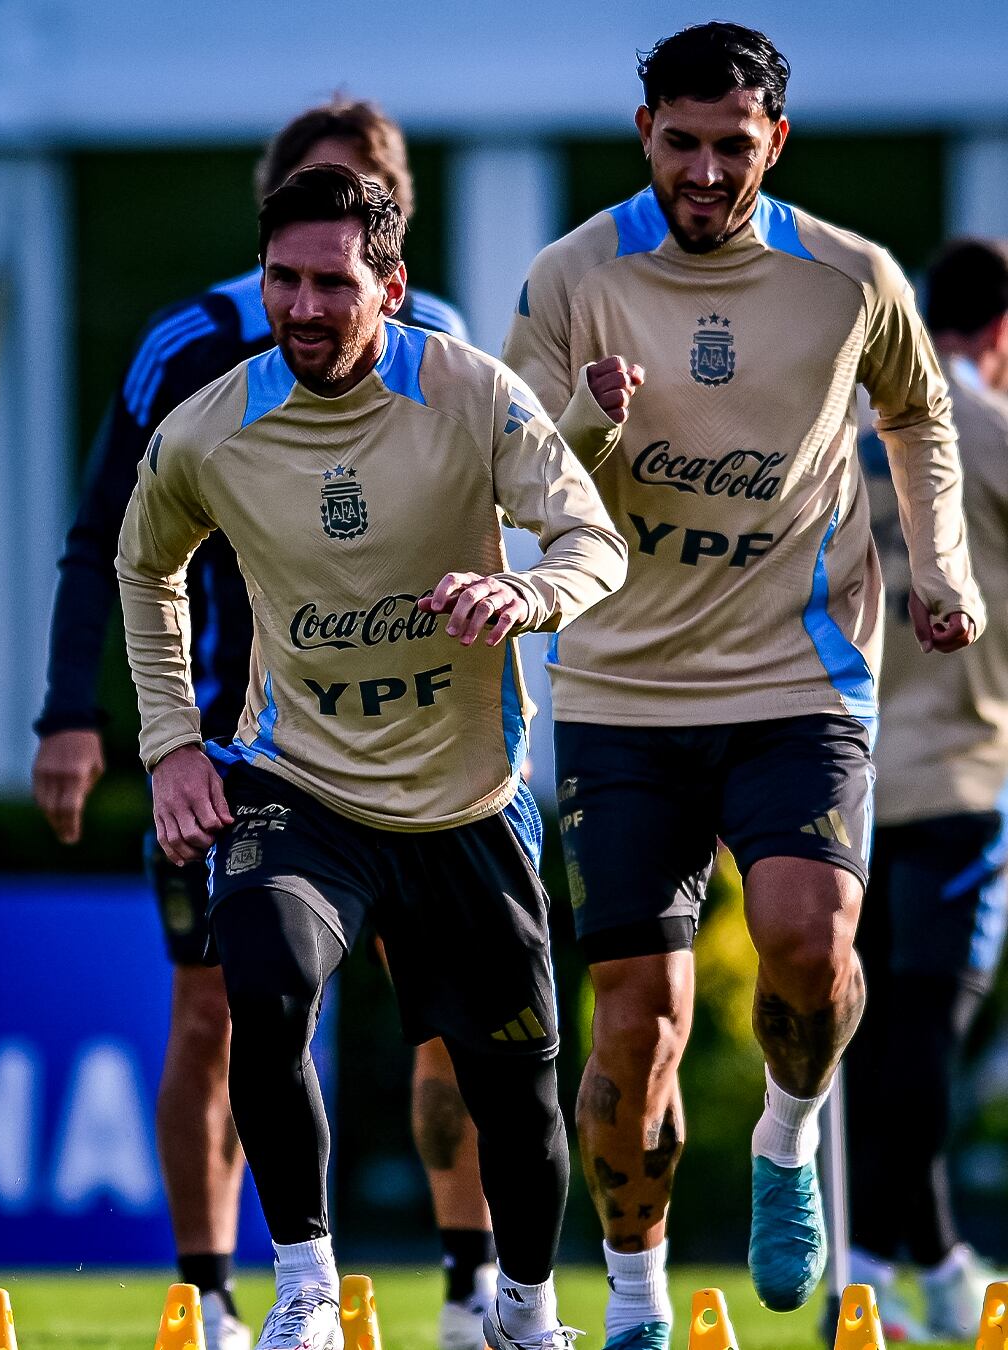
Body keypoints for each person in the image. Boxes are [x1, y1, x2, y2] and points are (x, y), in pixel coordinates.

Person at [502, 21, 986, 1350]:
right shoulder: (569, 278)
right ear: (643, 134)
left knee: (811, 948)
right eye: (681, 144)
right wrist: (593, 418)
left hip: (799, 671)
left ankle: (788, 1135)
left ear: (776, 138)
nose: (705, 171)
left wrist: (940, 566)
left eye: (733, 144)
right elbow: (516, 469)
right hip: (623, 688)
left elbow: (920, 416)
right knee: (635, 1025)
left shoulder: (850, 278)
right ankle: (643, 1295)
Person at [116, 164, 627, 1350]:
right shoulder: (208, 429)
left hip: (468, 796)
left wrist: (524, 591)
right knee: (264, 981)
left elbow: (590, 538)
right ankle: (306, 1291)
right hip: (297, 783)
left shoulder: (474, 394)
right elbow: (145, 572)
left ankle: (523, 1310)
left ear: (389, 289)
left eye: (331, 283)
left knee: (519, 1084)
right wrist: (172, 748)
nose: (301, 305)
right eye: (282, 279)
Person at [31, 100, 496, 1350]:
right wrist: (74, 713)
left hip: (418, 758)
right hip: (238, 756)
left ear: (387, 235)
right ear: (268, 208)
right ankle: (217, 1299)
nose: (307, 286)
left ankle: (467, 1288)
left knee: (451, 1018)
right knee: (219, 1009)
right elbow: (107, 544)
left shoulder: (445, 350)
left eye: (351, 206)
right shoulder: (186, 345)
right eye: (299, 211)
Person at [845, 239, 1008, 1342]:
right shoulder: (990, 431)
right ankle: (877, 1268)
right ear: (1001, 333)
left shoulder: (846, 428)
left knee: (867, 1039)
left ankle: (923, 1263)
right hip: (960, 765)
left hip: (839, 772)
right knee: (922, 1037)